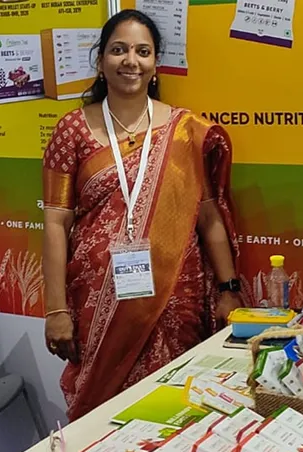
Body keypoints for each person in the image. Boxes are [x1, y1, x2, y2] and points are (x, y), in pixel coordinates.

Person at [42, 9, 244, 422]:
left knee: (177, 411)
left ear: (154, 64)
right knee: (102, 415)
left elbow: (208, 218)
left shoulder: (184, 130)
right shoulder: (72, 130)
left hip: (175, 298)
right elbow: (55, 222)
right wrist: (55, 309)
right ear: (101, 61)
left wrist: (228, 288)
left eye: (142, 51)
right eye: (118, 50)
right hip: (98, 303)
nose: (130, 60)